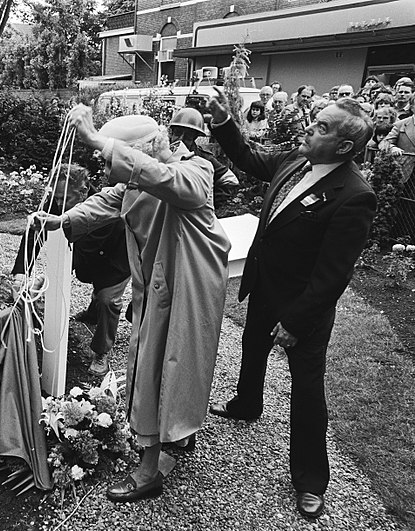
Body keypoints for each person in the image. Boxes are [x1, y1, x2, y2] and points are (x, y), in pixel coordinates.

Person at [32, 109, 230, 503]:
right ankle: (178, 432)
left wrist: (97, 140)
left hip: (187, 288)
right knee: (162, 364)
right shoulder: (140, 177)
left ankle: (147, 472)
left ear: (139, 153)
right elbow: (111, 199)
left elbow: (172, 184)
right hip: (159, 289)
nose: (106, 169)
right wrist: (62, 220)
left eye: (110, 160)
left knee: (163, 368)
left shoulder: (194, 170)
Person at [205, 92, 376, 519]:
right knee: (251, 350)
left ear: (342, 147)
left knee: (306, 392)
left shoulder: (354, 194)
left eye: (321, 127)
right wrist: (225, 122)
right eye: (314, 121)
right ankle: (247, 404)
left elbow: (333, 273)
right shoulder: (296, 161)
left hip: (304, 308)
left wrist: (297, 320)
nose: (309, 128)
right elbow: (248, 156)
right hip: (265, 287)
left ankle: (311, 479)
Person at [11, 163, 130, 377]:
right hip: (90, 259)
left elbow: (82, 251)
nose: (57, 204)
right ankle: (93, 314)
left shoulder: (106, 206)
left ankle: (101, 351)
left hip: (116, 259)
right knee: (95, 289)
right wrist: (22, 272)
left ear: (83, 191)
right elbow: (34, 234)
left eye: (62, 199)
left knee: (107, 300)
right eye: (55, 198)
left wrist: (43, 281)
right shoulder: (60, 199)